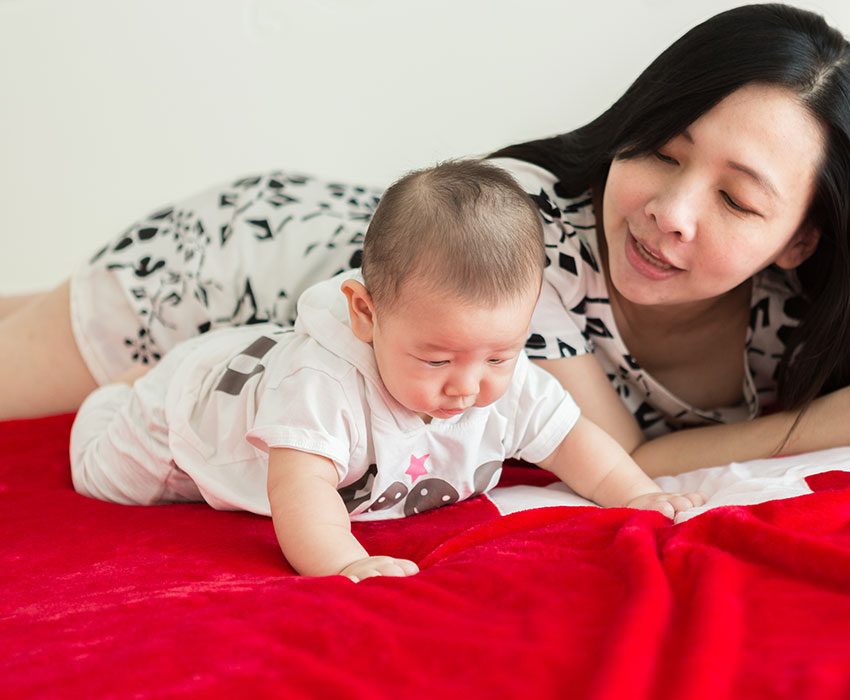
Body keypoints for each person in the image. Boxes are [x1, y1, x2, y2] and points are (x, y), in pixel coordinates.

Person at [3, 4, 850, 475]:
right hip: (238, 274)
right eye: (663, 152)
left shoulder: (791, 297)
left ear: (802, 238)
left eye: (739, 200)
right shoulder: (534, 239)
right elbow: (614, 457)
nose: (673, 210)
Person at [68, 160, 704, 581]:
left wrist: (638, 494)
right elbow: (302, 493)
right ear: (366, 314)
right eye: (436, 359)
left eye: (498, 357)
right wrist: (347, 564)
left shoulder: (490, 368)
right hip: (189, 416)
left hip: (253, 356)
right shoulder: (322, 388)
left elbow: (573, 439)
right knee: (99, 474)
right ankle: (117, 392)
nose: (467, 385)